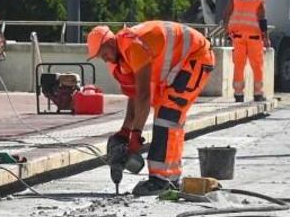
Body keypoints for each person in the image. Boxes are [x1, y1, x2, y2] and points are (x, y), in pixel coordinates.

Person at [87, 21, 216, 196]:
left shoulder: (133, 46)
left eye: (104, 54)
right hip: (184, 63)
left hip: (196, 57)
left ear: (109, 43)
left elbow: (144, 96)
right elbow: (134, 96)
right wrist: (125, 131)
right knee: (168, 115)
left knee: (168, 114)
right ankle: (168, 177)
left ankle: (162, 180)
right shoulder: (122, 59)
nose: (105, 59)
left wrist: (136, 135)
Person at [224, 0, 269, 103]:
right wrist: (266, 38)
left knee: (238, 65)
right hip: (254, 37)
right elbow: (262, 20)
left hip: (237, 36)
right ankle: (258, 94)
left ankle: (238, 94)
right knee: (257, 66)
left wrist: (227, 30)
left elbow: (227, 13)